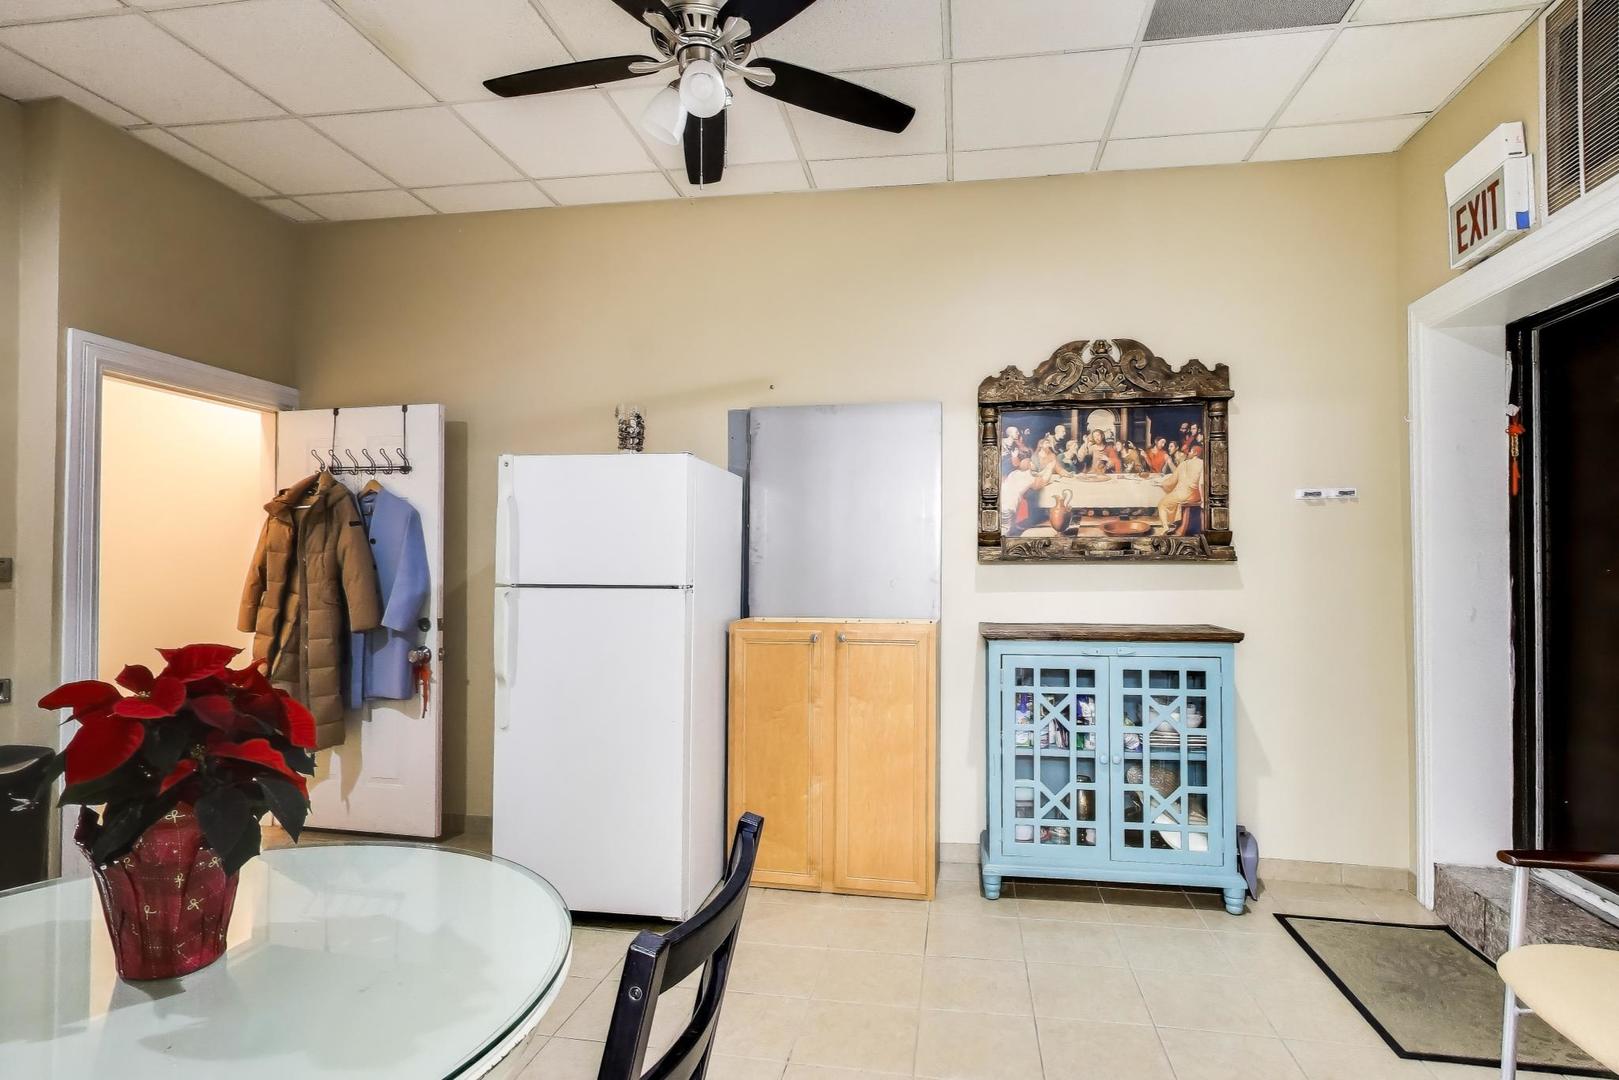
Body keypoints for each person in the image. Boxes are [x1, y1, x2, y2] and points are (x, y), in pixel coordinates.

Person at [1156, 445, 1205, 533]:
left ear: (1195, 453)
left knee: (1162, 504)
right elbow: (1201, 483)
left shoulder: (1184, 464)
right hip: (1196, 495)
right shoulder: (1203, 464)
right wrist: (1202, 499)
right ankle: (1176, 523)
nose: (1188, 454)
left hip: (1183, 494)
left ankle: (1165, 527)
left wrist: (1162, 484)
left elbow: (1171, 481)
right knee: (1175, 500)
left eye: (1190, 452)